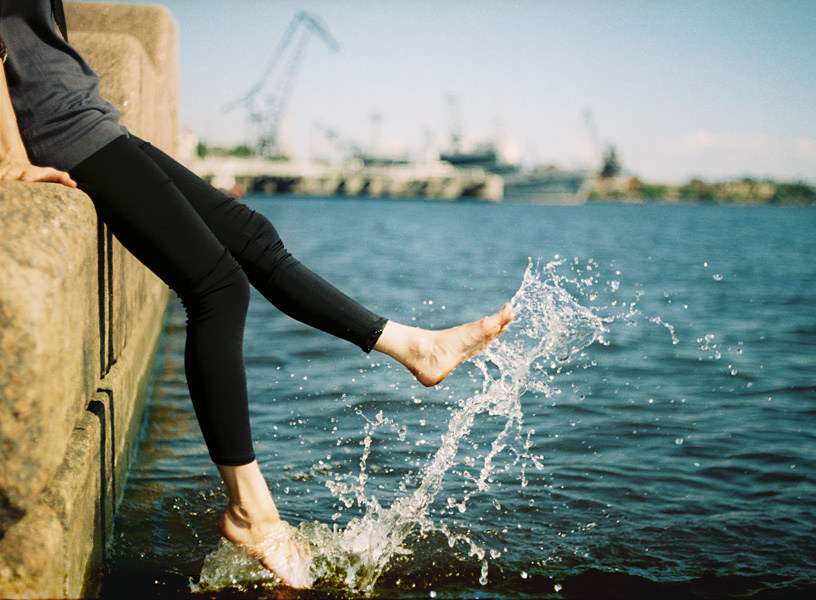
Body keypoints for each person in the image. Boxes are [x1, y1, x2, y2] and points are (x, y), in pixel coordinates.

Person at [0, 0, 512, 588]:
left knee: (252, 236)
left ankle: (417, 348)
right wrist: (12, 152)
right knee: (217, 287)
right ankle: (249, 510)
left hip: (84, 116)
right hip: (57, 130)